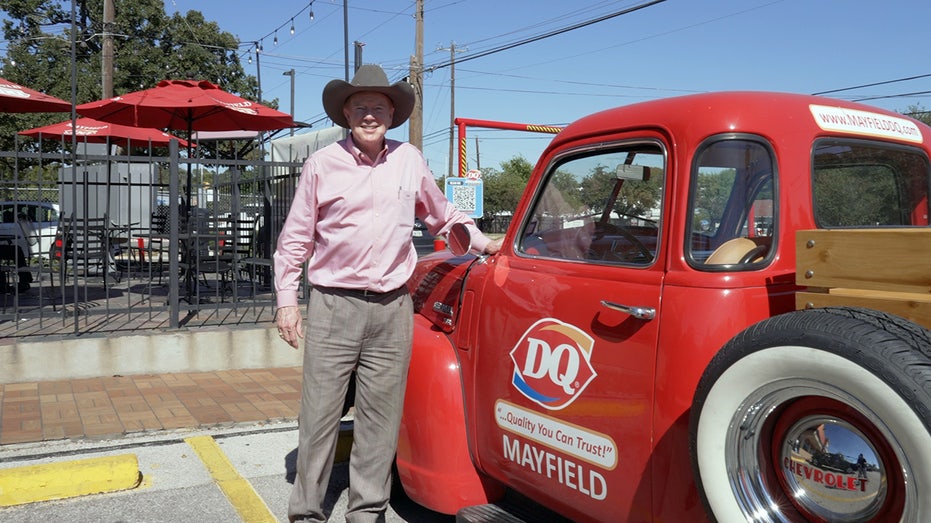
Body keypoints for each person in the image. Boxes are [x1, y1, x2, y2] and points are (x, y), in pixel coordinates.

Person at [274, 64, 502, 523]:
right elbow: (296, 238)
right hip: (335, 305)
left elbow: (442, 216)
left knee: (380, 419)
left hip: (393, 308)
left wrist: (485, 243)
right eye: (361, 107)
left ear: (392, 113)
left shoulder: (409, 159)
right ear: (346, 113)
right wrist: (286, 302)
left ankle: (367, 510)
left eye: (378, 106)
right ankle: (306, 513)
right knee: (318, 417)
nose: (370, 115)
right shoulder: (322, 164)